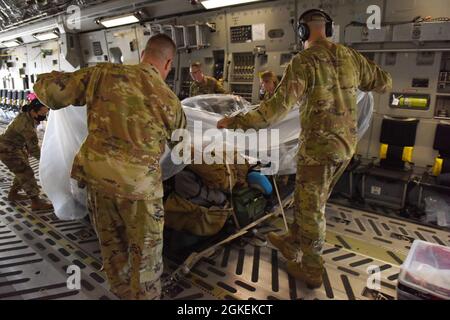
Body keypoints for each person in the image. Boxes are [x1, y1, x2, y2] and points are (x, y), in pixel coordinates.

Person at [217, 9, 392, 289]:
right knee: (307, 197)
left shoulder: (304, 61)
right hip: (345, 148)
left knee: (313, 209)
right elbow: (384, 82)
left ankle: (311, 269)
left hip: (319, 152)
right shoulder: (352, 57)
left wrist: (236, 122)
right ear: (329, 29)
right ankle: (293, 240)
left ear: (302, 32)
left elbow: (274, 110)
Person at [34, 34, 186, 300]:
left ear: (142, 54)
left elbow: (54, 95)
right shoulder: (170, 100)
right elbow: (181, 148)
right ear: (168, 63)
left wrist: (45, 78)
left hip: (99, 186)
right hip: (141, 195)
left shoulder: (102, 74)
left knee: (115, 256)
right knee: (146, 266)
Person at [0, 98, 53, 211]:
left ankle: (13, 194)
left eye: (46, 113)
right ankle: (36, 202)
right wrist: (46, 161)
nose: (44, 116)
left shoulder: (27, 116)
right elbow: (34, 148)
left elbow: (27, 141)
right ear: (33, 111)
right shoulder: (25, 124)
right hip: (7, 149)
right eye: (42, 113)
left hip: (15, 147)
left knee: (21, 170)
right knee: (26, 172)